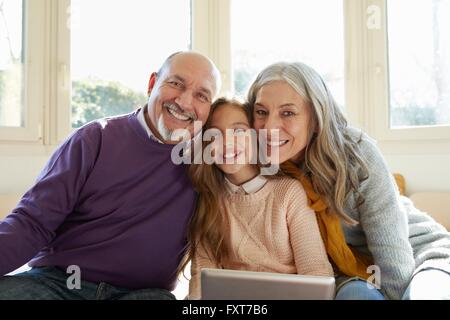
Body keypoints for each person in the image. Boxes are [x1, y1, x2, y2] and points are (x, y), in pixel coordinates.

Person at [0, 51, 221, 300]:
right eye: (175, 83)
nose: (184, 102)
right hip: (58, 284)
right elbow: (31, 223)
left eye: (201, 95)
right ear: (152, 84)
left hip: (143, 294)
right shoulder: (94, 139)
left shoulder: (207, 164)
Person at [245, 62, 450, 300]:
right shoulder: (257, 168)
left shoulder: (357, 153)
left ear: (316, 118)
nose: (269, 127)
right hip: (348, 274)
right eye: (261, 112)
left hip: (416, 253)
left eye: (288, 113)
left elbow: (392, 253)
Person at [183, 97, 334, 300]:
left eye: (238, 131)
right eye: (215, 134)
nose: (227, 142)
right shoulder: (209, 200)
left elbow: (316, 272)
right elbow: (201, 279)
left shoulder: (288, 193)